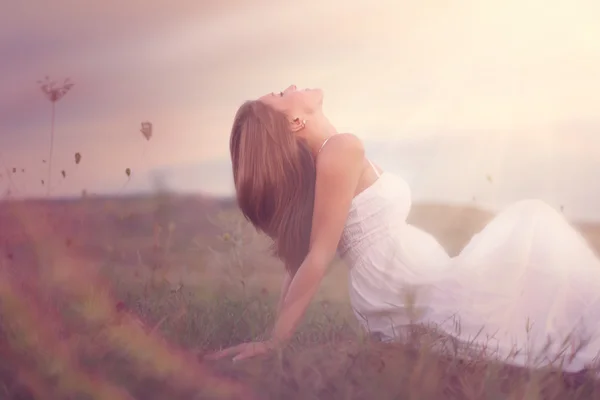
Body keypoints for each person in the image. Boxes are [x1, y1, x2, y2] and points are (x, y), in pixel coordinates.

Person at [208, 85, 600, 372]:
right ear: (295, 121)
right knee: (531, 225)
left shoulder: (329, 158)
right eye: (281, 93)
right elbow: (316, 255)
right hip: (399, 283)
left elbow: (300, 259)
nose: (291, 86)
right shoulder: (341, 150)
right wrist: (277, 340)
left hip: (400, 281)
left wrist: (276, 334)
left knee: (528, 251)